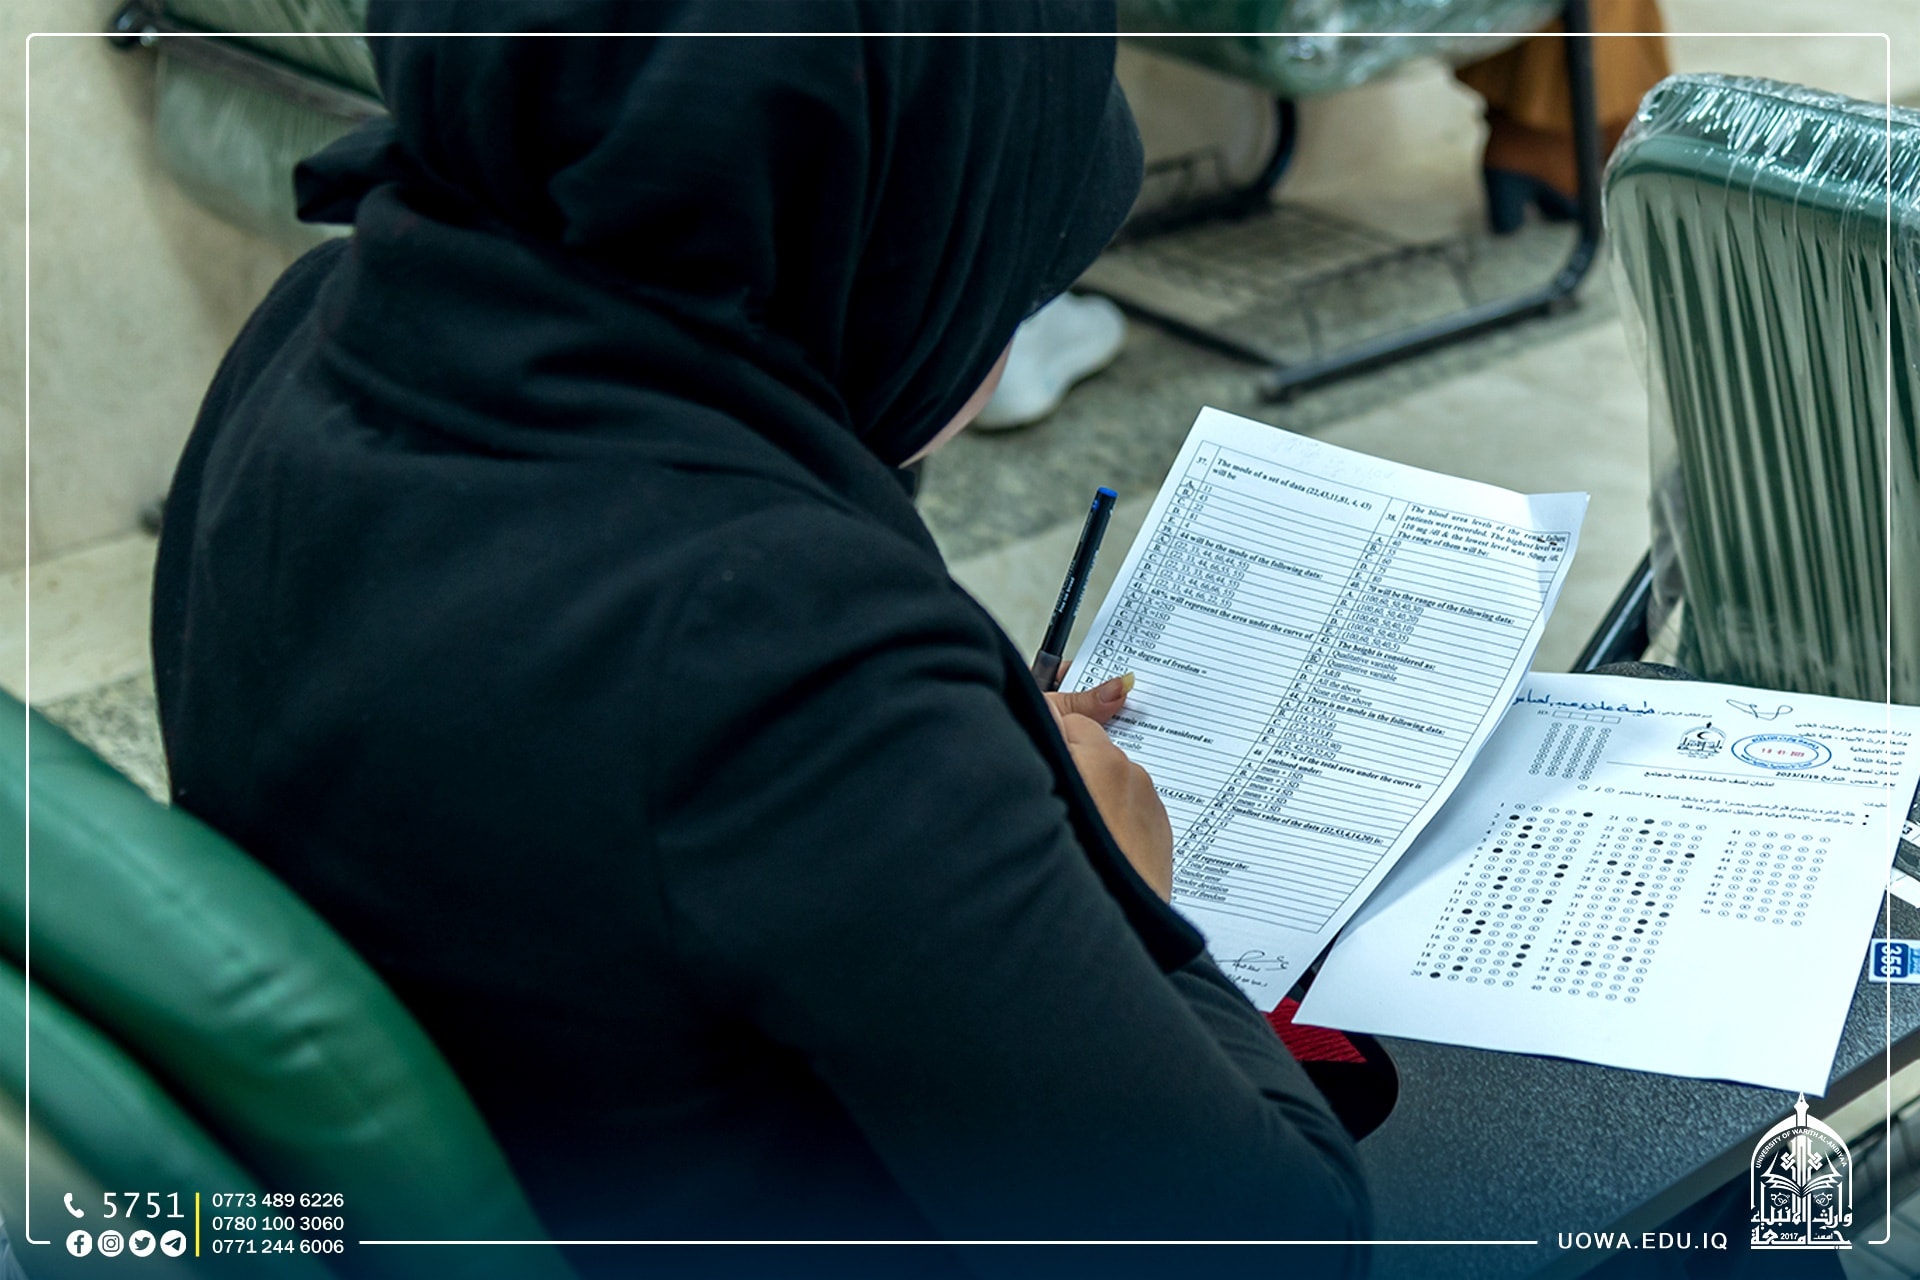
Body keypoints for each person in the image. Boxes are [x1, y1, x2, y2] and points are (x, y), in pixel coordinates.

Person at [151, 1, 1369, 1271]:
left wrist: (957, 780)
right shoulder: (779, 642)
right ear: (886, 236)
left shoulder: (316, 333)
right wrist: (1118, 887)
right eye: (1018, 276)